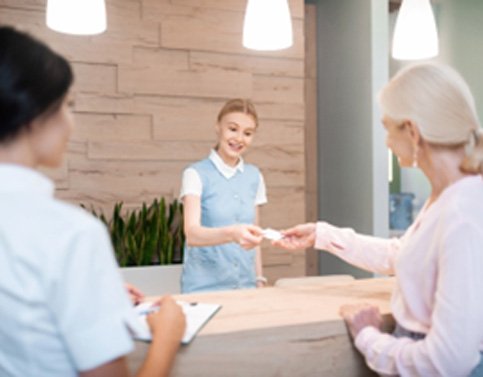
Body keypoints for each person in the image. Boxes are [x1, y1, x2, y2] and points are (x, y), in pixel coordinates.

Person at [274, 62, 483, 376]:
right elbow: (403, 255)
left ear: (412, 132)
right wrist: (322, 234)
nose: (386, 141)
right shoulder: (447, 196)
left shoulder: (463, 211)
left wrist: (369, 338)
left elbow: (448, 361)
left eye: (387, 127)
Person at [0, 26, 185, 377]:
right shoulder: (71, 234)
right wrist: (168, 334)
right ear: (32, 115)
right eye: (67, 106)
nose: (71, 123)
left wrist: (95, 289)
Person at [180, 98, 267, 293]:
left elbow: (255, 235)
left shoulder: (255, 176)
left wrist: (259, 279)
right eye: (233, 129)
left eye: (248, 133)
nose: (239, 138)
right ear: (218, 127)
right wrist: (232, 233)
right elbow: (192, 234)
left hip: (246, 287)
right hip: (204, 289)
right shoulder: (195, 174)